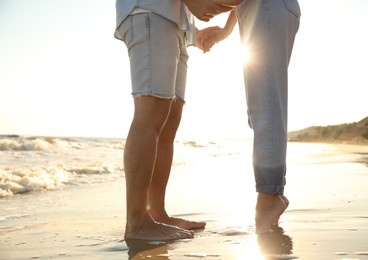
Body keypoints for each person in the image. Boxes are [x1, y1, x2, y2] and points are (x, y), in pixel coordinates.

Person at [114, 0, 240, 241]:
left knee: (169, 121)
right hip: (149, 11)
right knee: (150, 113)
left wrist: (193, 31)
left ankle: (157, 213)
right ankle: (137, 222)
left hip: (177, 25)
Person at [198, 0, 301, 235]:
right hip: (258, 10)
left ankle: (269, 198)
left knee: (265, 104)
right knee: (260, 106)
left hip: (265, 8)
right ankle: (270, 195)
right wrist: (226, 30)